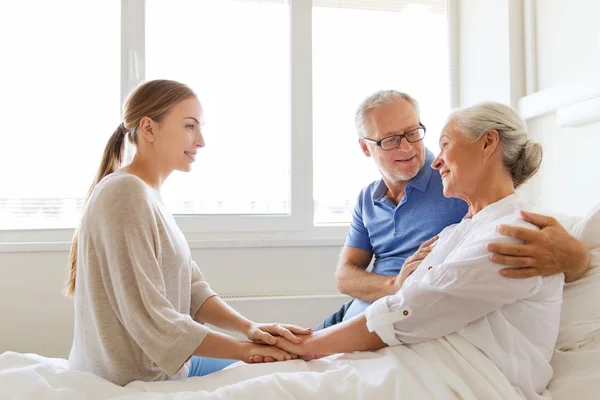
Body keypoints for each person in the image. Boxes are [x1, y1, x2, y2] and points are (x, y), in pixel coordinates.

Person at [275, 102, 565, 400]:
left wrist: (311, 347)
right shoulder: (456, 230)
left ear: (488, 142)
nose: (434, 161)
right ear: (366, 148)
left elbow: (413, 311)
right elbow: (354, 279)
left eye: (441, 143)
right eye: (390, 139)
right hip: (371, 328)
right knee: (266, 362)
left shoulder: (514, 235)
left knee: (268, 384)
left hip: (442, 368)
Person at [66, 79, 311, 386]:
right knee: (282, 374)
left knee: (289, 364)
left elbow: (192, 289)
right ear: (149, 128)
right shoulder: (125, 194)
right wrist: (245, 351)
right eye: (189, 126)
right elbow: (151, 317)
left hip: (163, 366)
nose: (201, 140)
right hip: (134, 378)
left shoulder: (146, 193)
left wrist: (251, 328)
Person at [316, 90, 590, 330]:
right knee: (277, 343)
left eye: (413, 133)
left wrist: (577, 259)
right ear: (366, 147)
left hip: (387, 319)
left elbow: (514, 215)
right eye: (390, 140)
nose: (409, 147)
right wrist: (395, 285)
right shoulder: (368, 198)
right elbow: (345, 276)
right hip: (353, 310)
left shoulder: (455, 181)